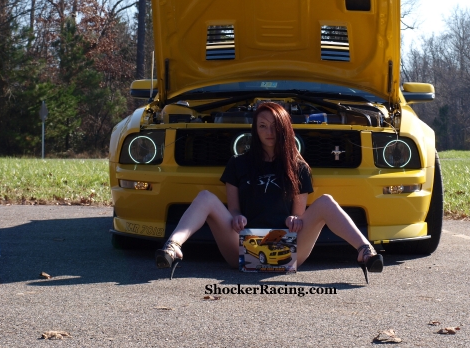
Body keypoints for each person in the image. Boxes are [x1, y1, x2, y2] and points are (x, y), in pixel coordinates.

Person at [155, 102, 383, 283]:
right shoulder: (238, 163)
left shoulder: (299, 167)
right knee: (205, 197)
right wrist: (236, 217)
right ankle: (173, 247)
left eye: (274, 125)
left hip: (287, 247)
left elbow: (299, 215)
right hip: (244, 246)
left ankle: (366, 252)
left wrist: (296, 220)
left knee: (325, 202)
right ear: (255, 129)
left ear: (284, 127)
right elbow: (233, 208)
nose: (268, 131)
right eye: (262, 126)